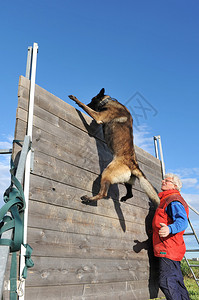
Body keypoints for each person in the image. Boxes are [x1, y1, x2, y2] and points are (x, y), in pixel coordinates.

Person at [152, 173, 190, 300]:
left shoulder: (173, 200)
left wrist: (169, 228)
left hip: (168, 247)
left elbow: (183, 221)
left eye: (167, 180)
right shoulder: (168, 199)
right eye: (163, 179)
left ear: (174, 186)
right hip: (172, 247)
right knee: (177, 283)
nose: (163, 181)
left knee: (167, 282)